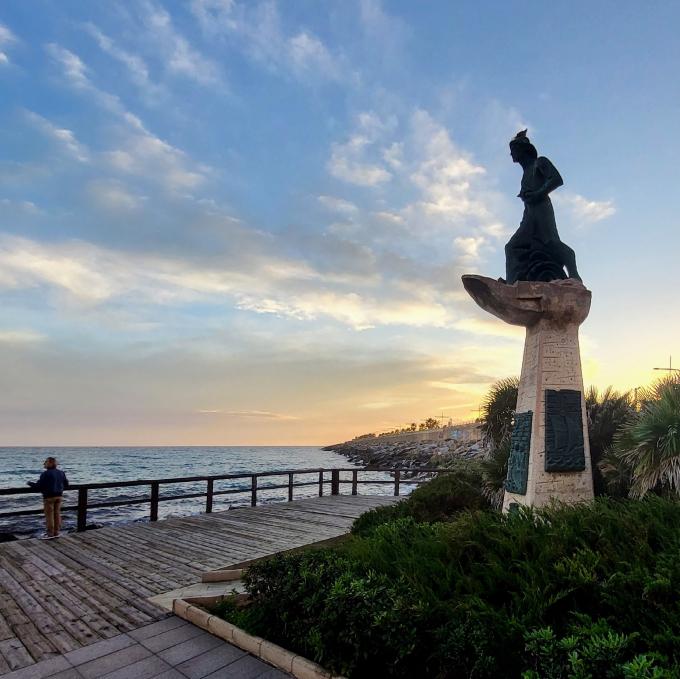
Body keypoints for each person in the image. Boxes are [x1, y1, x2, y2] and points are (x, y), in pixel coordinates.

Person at [503, 130, 582, 285]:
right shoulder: (525, 174)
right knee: (513, 247)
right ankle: (513, 283)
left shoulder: (540, 162)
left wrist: (538, 193)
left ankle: (574, 275)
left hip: (542, 209)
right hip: (529, 214)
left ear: (522, 149)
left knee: (550, 242)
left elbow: (556, 179)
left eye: (513, 151)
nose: (511, 155)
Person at [28, 457, 69, 539]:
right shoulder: (61, 472)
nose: (44, 464)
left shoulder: (45, 474)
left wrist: (29, 483)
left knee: (49, 516)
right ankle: (56, 532)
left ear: (50, 463)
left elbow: (39, 486)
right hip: (59, 496)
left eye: (46, 462)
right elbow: (66, 484)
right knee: (57, 514)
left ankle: (50, 534)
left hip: (49, 497)